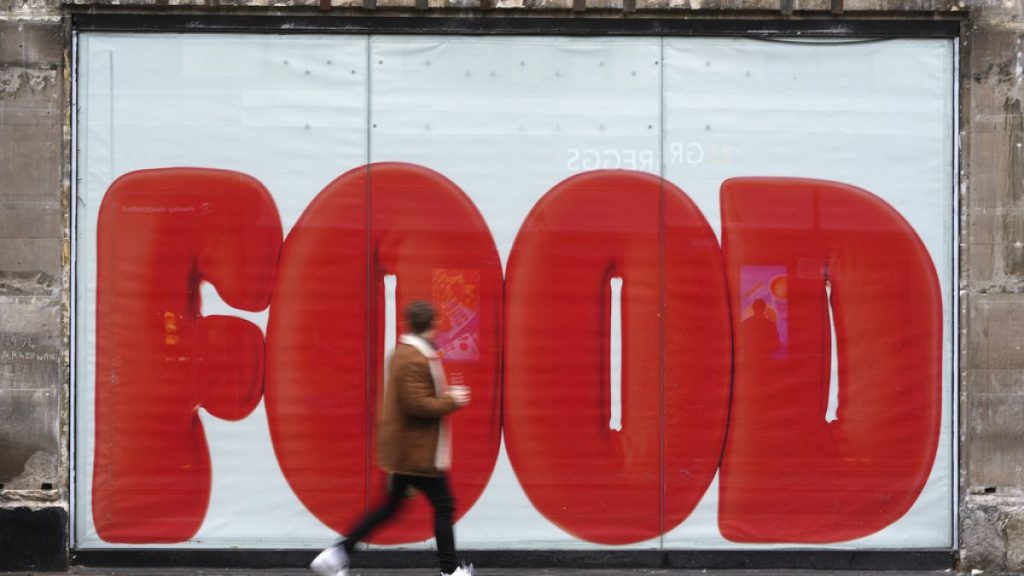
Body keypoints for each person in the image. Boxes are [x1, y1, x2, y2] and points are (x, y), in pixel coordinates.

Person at [310, 300, 474, 576]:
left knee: (389, 508)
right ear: (431, 325)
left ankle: (337, 553)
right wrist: (451, 401)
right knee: (443, 505)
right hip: (417, 452)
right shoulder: (412, 358)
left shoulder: (407, 354)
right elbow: (415, 404)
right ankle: (451, 569)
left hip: (408, 451)